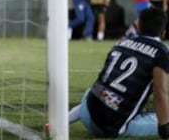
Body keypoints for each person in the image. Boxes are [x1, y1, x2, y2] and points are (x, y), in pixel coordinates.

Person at [69, 7, 169, 139]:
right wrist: (164, 128)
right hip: (111, 128)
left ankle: (65, 119)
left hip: (87, 112)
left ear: (138, 26)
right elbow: (160, 91)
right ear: (163, 33)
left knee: (101, 90)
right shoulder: (161, 52)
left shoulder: (122, 42)